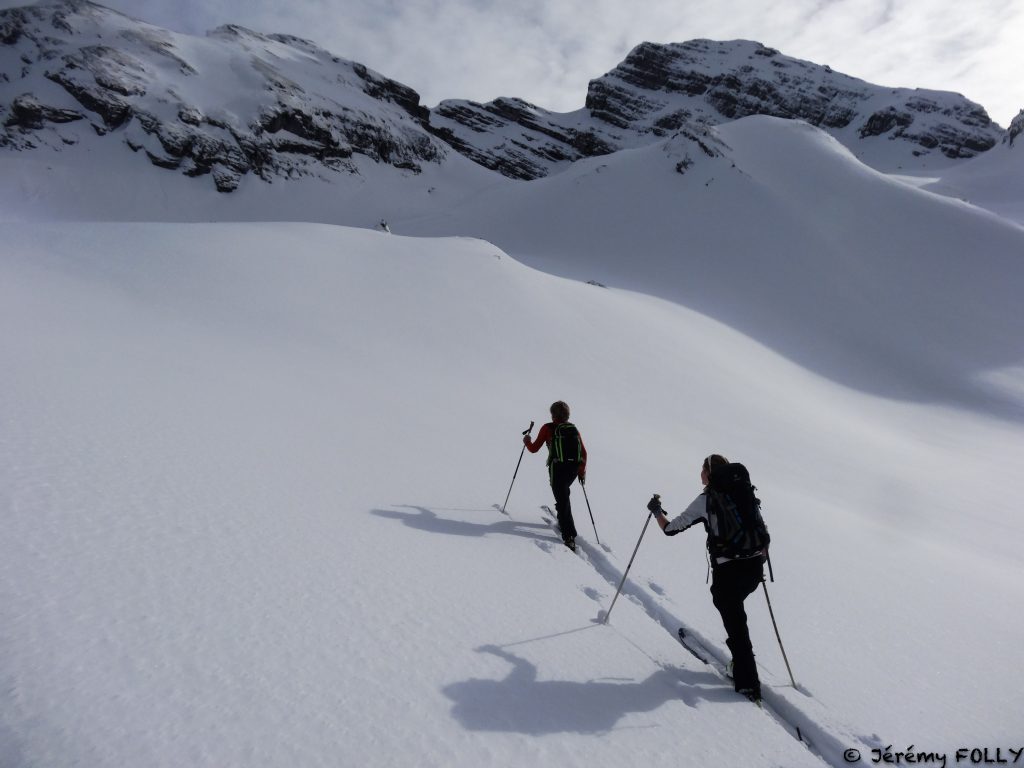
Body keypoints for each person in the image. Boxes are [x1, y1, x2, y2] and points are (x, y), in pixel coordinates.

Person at [647, 454, 768, 702]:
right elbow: (762, 532)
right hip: (754, 568)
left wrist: (657, 512)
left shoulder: (707, 499)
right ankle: (741, 664)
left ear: (709, 473)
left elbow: (672, 528)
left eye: (702, 469)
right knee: (735, 615)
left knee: (736, 624)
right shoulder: (744, 494)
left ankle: (747, 683)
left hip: (729, 572)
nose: (700, 474)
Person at [523, 401, 587, 551]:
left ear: (553, 415)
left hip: (557, 468)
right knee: (563, 494)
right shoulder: (573, 429)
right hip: (572, 469)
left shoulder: (548, 428)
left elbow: (533, 449)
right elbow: (583, 452)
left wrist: (527, 441)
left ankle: (569, 536)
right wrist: (581, 471)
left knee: (563, 499)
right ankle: (563, 519)